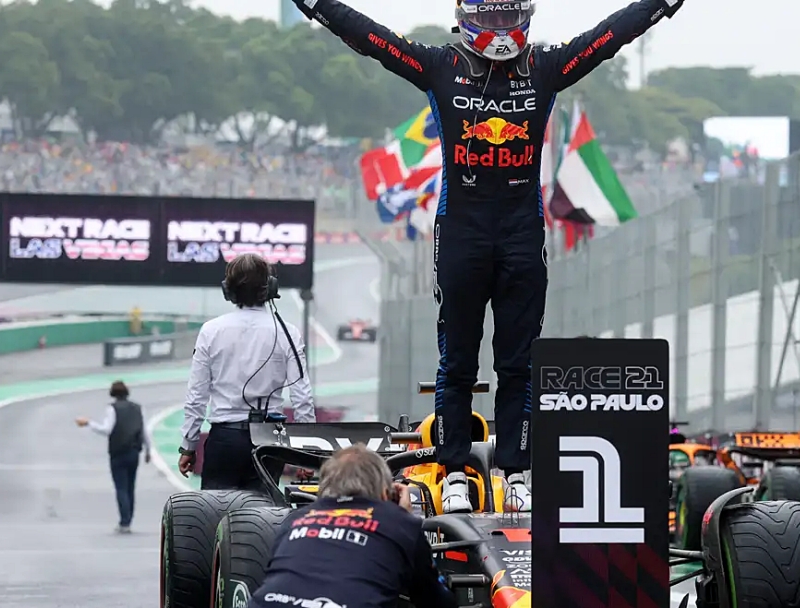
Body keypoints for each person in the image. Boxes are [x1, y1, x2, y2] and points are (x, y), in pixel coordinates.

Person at [291, 0, 687, 514]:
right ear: (466, 18)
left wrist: (655, 6)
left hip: (522, 233)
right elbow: (373, 39)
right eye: (491, 19)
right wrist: (322, 6)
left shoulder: (546, 67)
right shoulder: (439, 65)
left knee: (518, 363)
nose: (501, 30)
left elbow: (606, 38)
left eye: (509, 18)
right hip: (463, 233)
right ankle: (455, 470)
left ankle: (516, 471)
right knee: (456, 362)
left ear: (525, 17)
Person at [248, 445, 457, 608]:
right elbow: (434, 601)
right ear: (387, 493)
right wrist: (402, 516)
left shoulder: (294, 520)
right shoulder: (401, 523)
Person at [178, 253, 316, 491]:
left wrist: (189, 446)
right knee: (263, 521)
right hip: (270, 441)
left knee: (216, 518)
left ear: (228, 290)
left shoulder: (211, 331)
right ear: (270, 288)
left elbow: (197, 396)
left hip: (225, 439)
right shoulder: (288, 332)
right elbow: (302, 395)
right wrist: (307, 453)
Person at [75, 380, 151, 534]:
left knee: (120, 487)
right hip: (134, 451)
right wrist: (149, 450)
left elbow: (107, 429)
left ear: (112, 394)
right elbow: (144, 430)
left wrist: (89, 423)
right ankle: (128, 519)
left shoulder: (112, 409)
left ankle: (124, 521)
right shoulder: (138, 408)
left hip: (118, 452)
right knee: (130, 487)